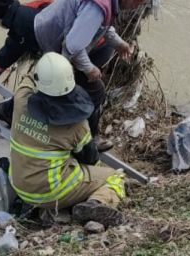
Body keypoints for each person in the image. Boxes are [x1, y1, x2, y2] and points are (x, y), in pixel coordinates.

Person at [7, 52, 126, 227]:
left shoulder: (21, 99)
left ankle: (49, 206)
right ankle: (96, 203)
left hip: (17, 183)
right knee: (114, 176)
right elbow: (89, 158)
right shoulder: (77, 126)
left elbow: (30, 77)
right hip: (49, 192)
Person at [33, 0, 149, 134]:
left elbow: (102, 25)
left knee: (52, 86)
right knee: (96, 92)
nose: (135, 9)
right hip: (53, 40)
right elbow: (73, 46)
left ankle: (9, 111)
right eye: (136, 4)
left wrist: (119, 43)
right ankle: (86, 138)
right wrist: (89, 69)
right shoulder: (97, 5)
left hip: (55, 30)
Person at [0, 0, 52, 93]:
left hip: (58, 53)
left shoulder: (19, 29)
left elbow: (7, 55)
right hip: (70, 35)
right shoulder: (28, 7)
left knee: (34, 87)